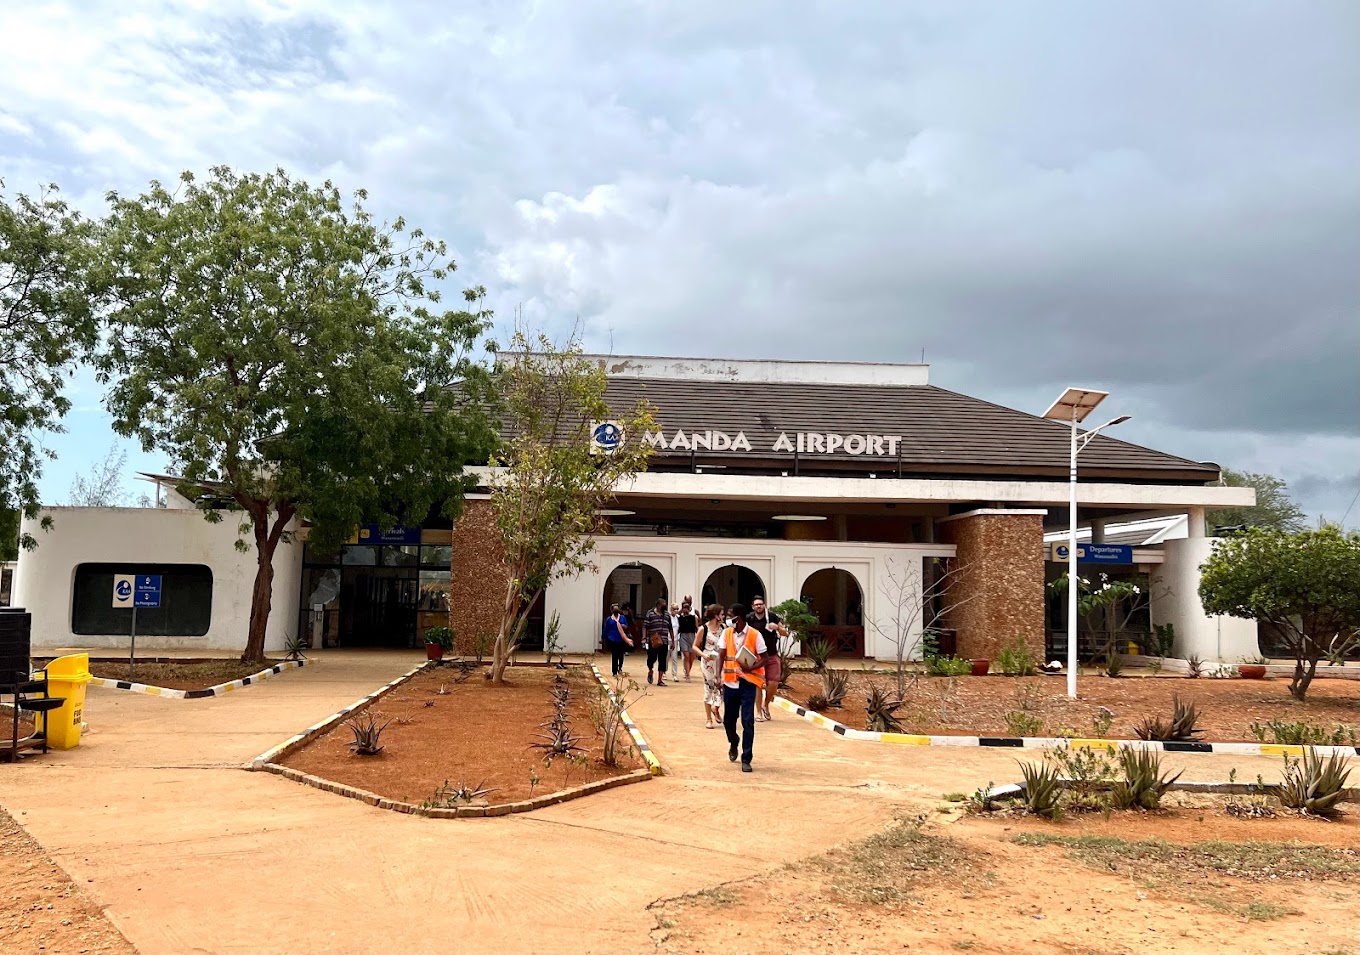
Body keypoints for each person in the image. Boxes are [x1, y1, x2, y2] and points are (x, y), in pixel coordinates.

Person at [717, 602, 765, 772]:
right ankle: (734, 741)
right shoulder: (726, 633)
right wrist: (717, 676)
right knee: (728, 721)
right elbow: (721, 654)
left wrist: (751, 668)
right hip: (730, 683)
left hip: (748, 684)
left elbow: (765, 657)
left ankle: (746, 758)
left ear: (738, 618)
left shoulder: (755, 635)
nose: (727, 618)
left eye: (730, 615)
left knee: (747, 721)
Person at [747, 596, 786, 722]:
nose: (759, 606)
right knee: (758, 684)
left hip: (771, 654)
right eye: (756, 604)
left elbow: (785, 633)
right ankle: (758, 712)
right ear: (753, 607)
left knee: (774, 682)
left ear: (764, 605)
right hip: (757, 656)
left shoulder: (772, 617)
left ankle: (766, 704)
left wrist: (777, 628)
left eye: (761, 604)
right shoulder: (749, 619)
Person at [694, 603, 725, 728]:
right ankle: (708, 718)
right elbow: (694, 646)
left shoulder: (724, 628)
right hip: (708, 661)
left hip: (721, 661)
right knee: (709, 688)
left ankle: (716, 707)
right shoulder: (703, 629)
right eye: (722, 614)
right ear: (716, 616)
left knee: (722, 686)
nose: (723, 616)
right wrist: (703, 655)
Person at [643, 598, 674, 686]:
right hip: (653, 641)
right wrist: (644, 638)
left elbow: (670, 628)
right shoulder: (650, 614)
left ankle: (660, 680)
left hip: (664, 641)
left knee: (662, 660)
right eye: (662, 605)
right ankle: (650, 670)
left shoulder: (667, 615)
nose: (664, 606)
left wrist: (673, 641)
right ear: (658, 605)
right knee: (651, 658)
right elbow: (645, 626)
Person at [602, 603, 633, 676]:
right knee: (614, 655)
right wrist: (603, 638)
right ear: (612, 611)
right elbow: (606, 629)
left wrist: (624, 626)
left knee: (621, 655)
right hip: (612, 639)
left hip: (621, 639)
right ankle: (614, 671)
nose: (616, 610)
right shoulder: (609, 619)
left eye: (617, 609)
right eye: (614, 609)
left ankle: (620, 668)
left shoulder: (622, 618)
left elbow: (627, 626)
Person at [675, 597, 700, 681]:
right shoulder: (680, 618)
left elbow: (697, 628)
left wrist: (699, 639)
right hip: (683, 636)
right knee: (686, 655)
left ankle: (688, 670)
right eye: (684, 608)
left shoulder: (694, 617)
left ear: (689, 609)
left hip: (692, 636)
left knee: (691, 657)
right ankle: (688, 675)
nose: (685, 610)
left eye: (687, 608)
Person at [668, 603, 682, 680]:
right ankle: (664, 672)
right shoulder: (668, 617)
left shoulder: (678, 618)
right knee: (666, 657)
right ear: (671, 609)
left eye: (677, 609)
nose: (676, 611)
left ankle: (674, 674)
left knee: (674, 657)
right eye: (674, 609)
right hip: (668, 639)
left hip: (675, 639)